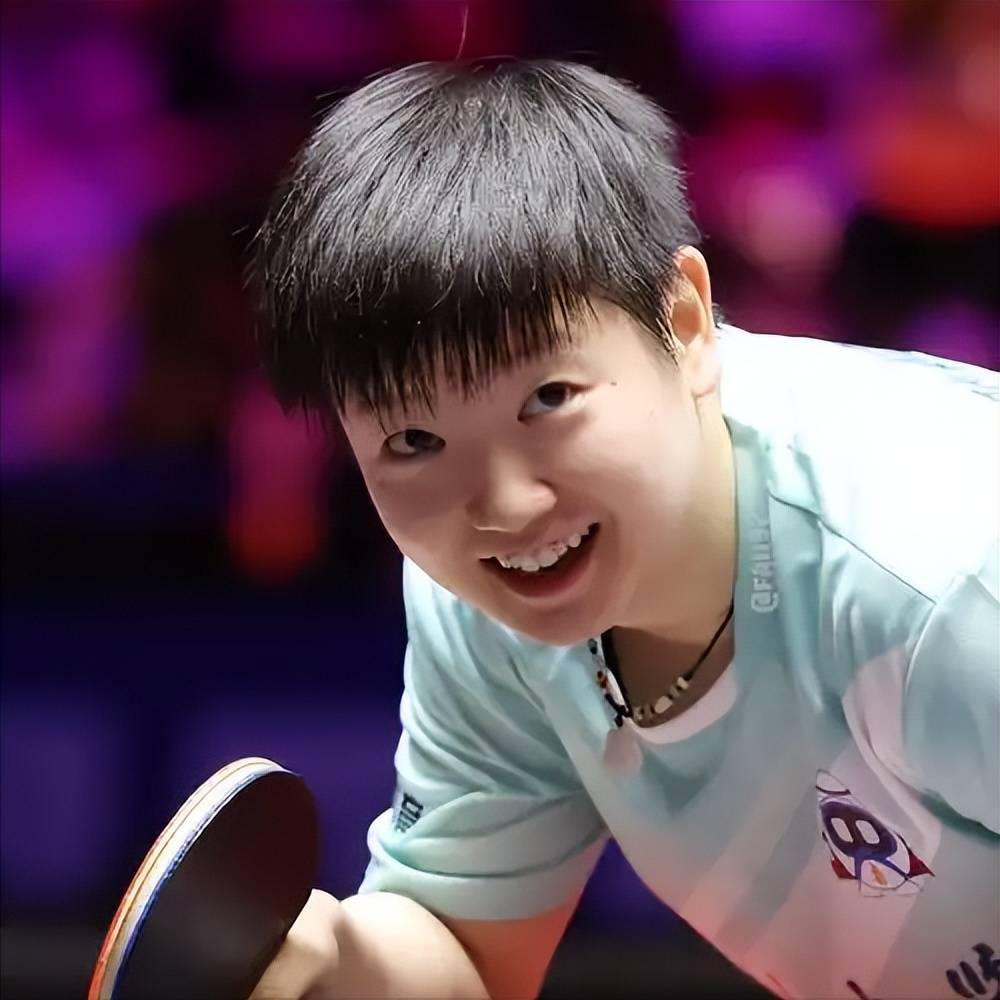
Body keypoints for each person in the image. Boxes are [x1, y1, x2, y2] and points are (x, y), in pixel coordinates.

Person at [248, 61, 999, 1000]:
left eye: (549, 399)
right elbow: (469, 956)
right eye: (412, 441)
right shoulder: (481, 604)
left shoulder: (945, 574)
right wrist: (325, 960)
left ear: (684, 323)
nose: (504, 507)